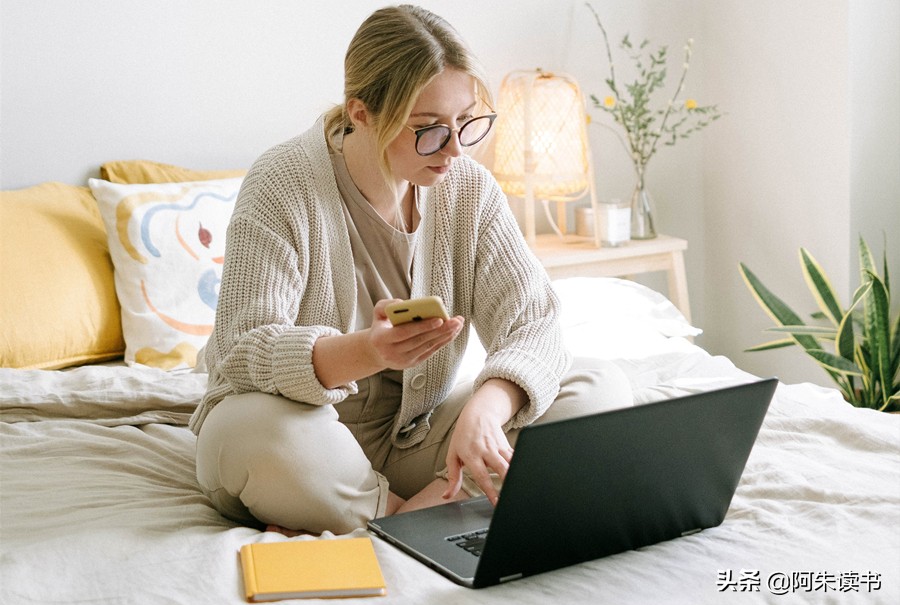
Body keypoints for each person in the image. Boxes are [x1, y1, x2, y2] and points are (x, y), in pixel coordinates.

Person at [190, 4, 632, 536]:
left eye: (466, 122)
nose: (453, 150)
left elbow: (532, 322)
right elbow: (242, 349)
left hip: (415, 442)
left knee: (596, 385)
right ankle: (432, 512)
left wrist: (488, 409)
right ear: (362, 113)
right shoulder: (281, 184)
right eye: (427, 129)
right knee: (248, 432)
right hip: (305, 441)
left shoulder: (467, 188)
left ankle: (409, 515)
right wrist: (367, 351)